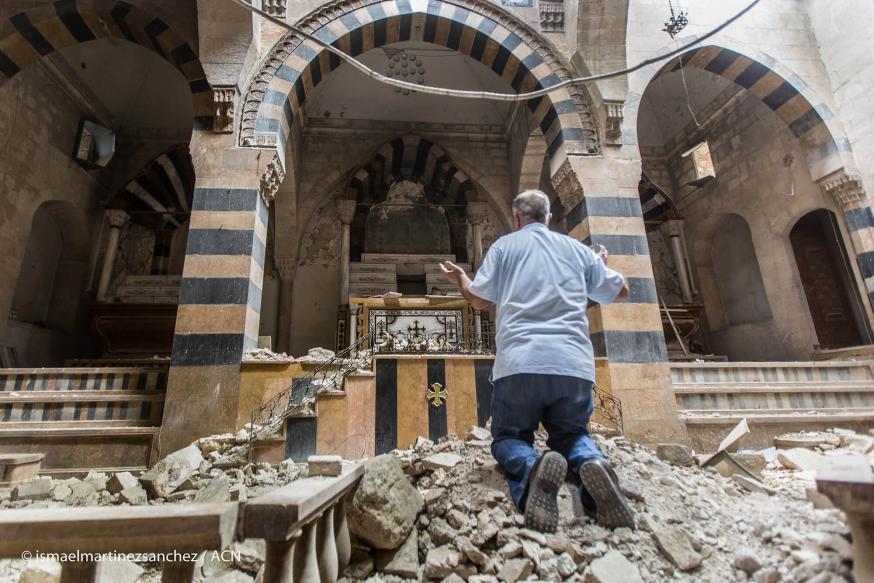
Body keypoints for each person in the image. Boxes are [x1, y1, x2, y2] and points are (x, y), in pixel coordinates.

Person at [440, 190, 635, 532]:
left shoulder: (505, 247)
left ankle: (532, 469)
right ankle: (592, 465)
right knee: (573, 434)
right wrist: (598, 267)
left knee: (509, 438)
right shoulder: (578, 250)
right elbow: (621, 291)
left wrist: (461, 279)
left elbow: (478, 301)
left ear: (516, 219)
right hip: (573, 365)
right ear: (548, 216)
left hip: (520, 363)